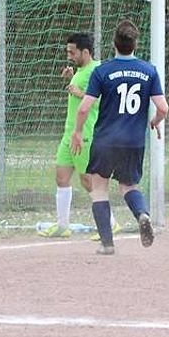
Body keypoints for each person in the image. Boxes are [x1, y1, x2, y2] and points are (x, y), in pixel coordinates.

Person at [71, 19, 169, 255]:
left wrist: (77, 132)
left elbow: (84, 108)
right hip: (134, 141)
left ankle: (107, 244)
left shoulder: (102, 71)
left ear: (114, 43)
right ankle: (142, 214)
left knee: (99, 188)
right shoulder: (149, 71)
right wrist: (155, 121)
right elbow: (163, 108)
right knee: (128, 186)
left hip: (106, 140)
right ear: (135, 44)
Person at [38, 32, 119, 238]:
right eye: (68, 52)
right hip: (70, 134)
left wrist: (79, 93)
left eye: (72, 52)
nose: (69, 56)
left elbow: (105, 102)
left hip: (86, 135)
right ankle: (62, 226)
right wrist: (72, 77)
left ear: (85, 52)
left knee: (88, 181)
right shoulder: (82, 70)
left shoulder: (98, 71)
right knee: (61, 177)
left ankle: (110, 224)